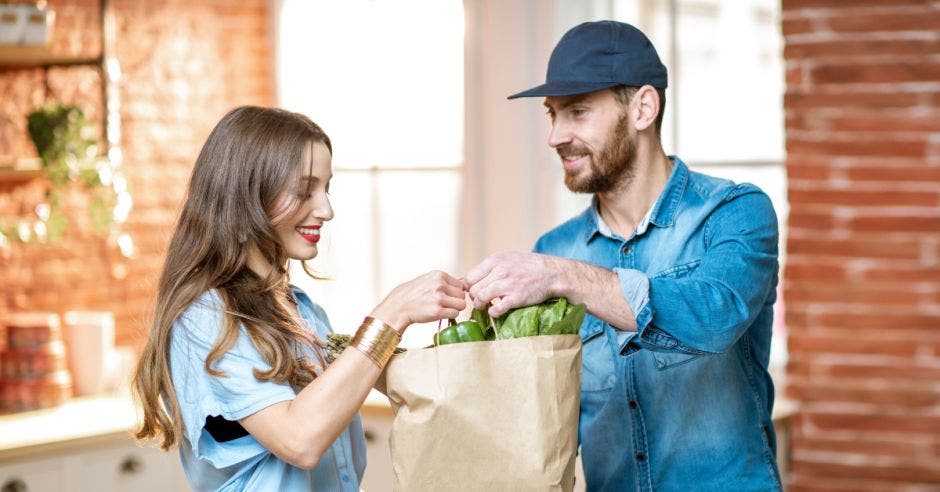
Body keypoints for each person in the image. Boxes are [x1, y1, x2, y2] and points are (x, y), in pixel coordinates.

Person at [464, 20, 782, 491]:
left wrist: (563, 278)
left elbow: (714, 315)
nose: (555, 136)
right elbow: (545, 425)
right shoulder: (553, 251)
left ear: (643, 108)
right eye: (552, 114)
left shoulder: (733, 213)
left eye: (577, 112)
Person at [132, 106, 466, 491]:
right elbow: (299, 439)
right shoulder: (207, 317)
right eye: (304, 191)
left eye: (326, 189)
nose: (326, 209)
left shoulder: (303, 309)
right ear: (247, 195)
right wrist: (391, 315)